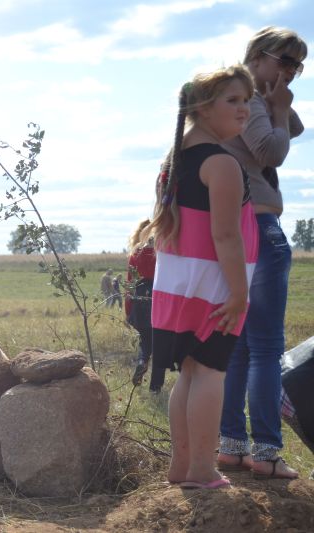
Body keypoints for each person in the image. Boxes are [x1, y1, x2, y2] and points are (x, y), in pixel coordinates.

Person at [148, 65, 257, 489]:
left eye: (247, 100)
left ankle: (182, 469)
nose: (244, 108)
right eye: (233, 100)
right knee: (211, 374)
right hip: (215, 287)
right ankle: (201, 470)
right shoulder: (222, 163)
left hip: (178, 286)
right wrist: (239, 293)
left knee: (190, 374)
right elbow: (226, 235)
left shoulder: (174, 160)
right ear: (203, 108)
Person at [217, 26, 307, 480]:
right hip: (261, 226)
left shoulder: (241, 99)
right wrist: (275, 104)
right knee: (267, 350)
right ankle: (268, 453)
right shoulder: (250, 99)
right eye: (285, 60)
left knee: (239, 349)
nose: (292, 71)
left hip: (237, 227)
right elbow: (273, 149)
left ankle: (232, 446)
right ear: (256, 56)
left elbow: (295, 127)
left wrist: (281, 102)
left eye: (299, 65)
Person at [126, 219, 165, 394]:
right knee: (161, 345)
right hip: (158, 299)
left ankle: (142, 361)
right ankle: (155, 388)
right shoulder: (162, 253)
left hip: (139, 300)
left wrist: (128, 311)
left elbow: (129, 284)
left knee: (145, 340)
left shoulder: (135, 254)